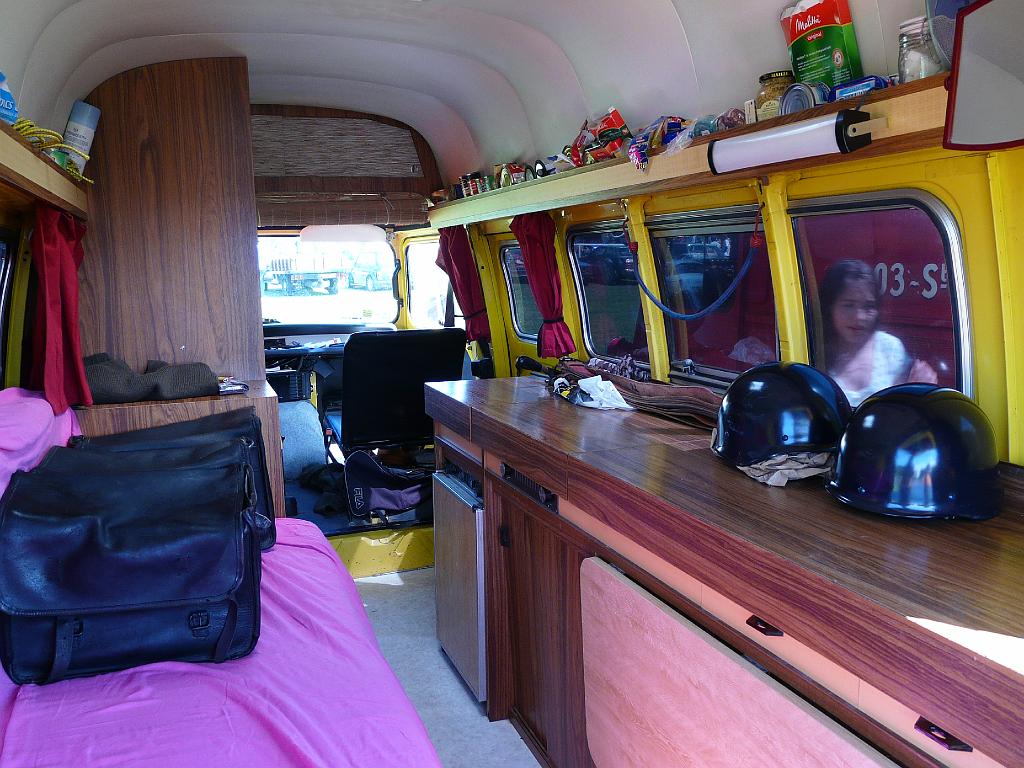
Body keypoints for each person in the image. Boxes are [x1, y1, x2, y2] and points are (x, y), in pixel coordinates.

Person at [819, 259, 937, 407]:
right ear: (830, 307)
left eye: (868, 307)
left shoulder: (890, 348)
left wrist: (920, 387)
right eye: (848, 305)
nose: (859, 317)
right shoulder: (814, 348)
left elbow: (904, 406)